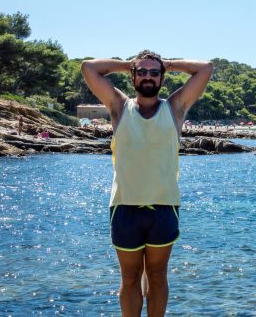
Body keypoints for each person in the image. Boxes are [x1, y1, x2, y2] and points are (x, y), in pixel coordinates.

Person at [81, 50, 213, 317]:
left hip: (164, 205)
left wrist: (169, 64)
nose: (148, 77)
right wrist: (128, 64)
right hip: (125, 205)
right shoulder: (119, 106)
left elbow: (205, 69)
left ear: (162, 77)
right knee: (130, 277)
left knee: (157, 274)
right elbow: (88, 68)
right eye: (142, 72)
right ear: (133, 76)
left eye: (154, 72)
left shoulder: (175, 108)